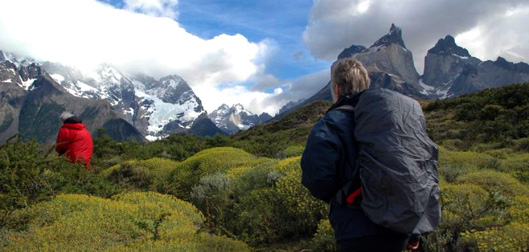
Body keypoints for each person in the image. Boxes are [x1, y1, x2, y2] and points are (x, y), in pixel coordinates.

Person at [300, 59, 419, 252]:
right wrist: (415, 230)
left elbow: (317, 178)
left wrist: (342, 198)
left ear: (336, 89)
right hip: (399, 227)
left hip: (356, 229)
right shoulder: (393, 121)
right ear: (366, 85)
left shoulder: (330, 124)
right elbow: (415, 170)